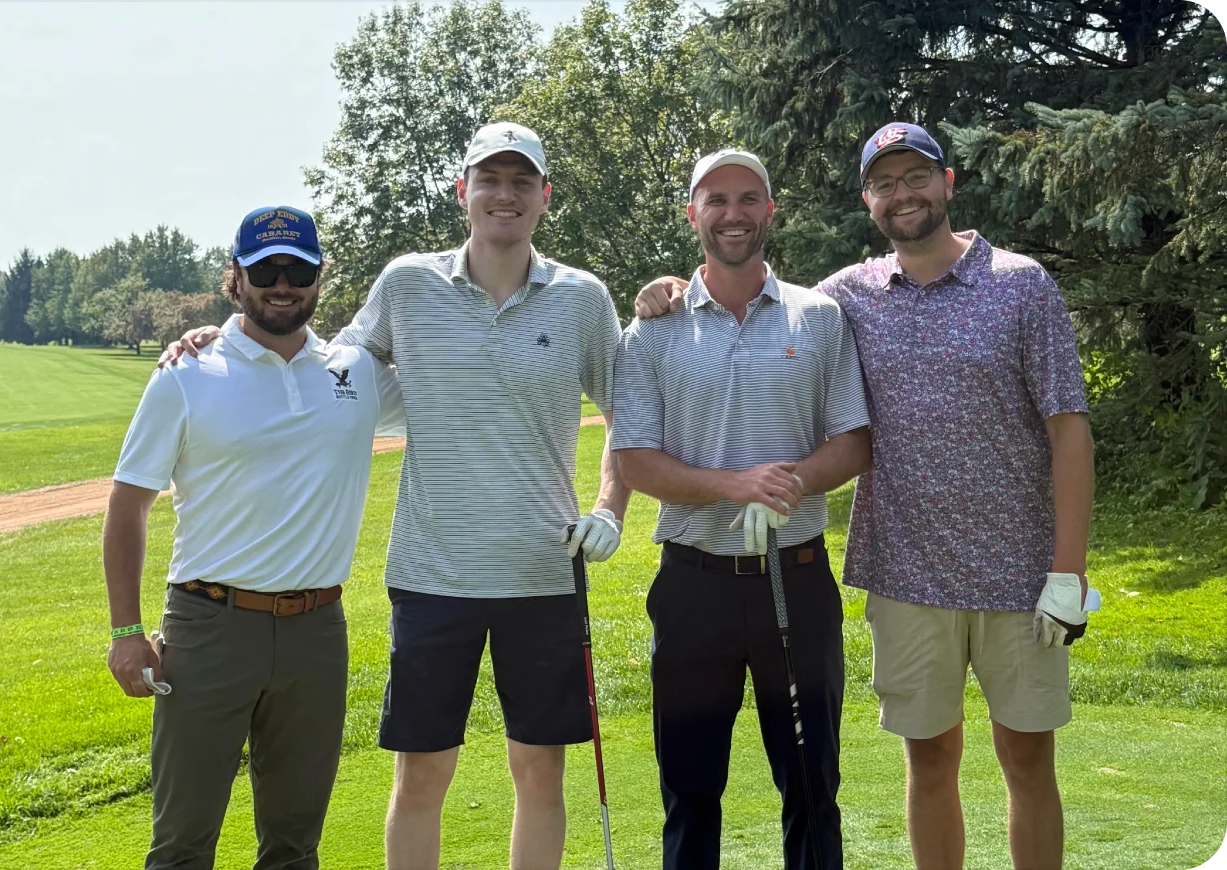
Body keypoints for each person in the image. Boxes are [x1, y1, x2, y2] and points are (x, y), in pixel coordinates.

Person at [161, 122, 629, 870]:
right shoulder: (407, 284)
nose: (502, 194)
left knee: (540, 772)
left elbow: (626, 414)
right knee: (421, 774)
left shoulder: (582, 299)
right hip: (431, 574)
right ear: (462, 193)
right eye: (488, 179)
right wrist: (223, 335)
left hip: (542, 574)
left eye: (519, 182)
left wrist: (610, 508)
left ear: (544, 197)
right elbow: (322, 362)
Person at [633, 123, 1096, 870]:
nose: (902, 194)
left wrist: (1068, 572)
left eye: (917, 177)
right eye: (886, 183)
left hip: (1020, 573)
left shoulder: (1021, 284)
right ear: (868, 199)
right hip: (907, 575)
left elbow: (1070, 433)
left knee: (1027, 761)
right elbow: (750, 295)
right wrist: (667, 291)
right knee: (931, 761)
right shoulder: (848, 296)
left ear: (948, 184)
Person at [105, 205, 404, 870]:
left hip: (317, 632)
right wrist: (127, 632)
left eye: (296, 268)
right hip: (209, 627)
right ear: (232, 278)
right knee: (183, 843)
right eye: (263, 268)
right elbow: (128, 505)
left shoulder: (353, 371)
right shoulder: (186, 373)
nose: (281, 282)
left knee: (295, 846)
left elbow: (470, 374)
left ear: (320, 275)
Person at [612, 149, 873, 870]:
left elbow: (854, 443)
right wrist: (736, 486)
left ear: (769, 212)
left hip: (798, 579)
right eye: (716, 200)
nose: (733, 213)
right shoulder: (652, 330)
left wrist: (786, 481)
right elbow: (634, 459)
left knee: (812, 787)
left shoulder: (819, 318)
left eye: (747, 199)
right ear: (693, 214)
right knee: (690, 791)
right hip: (694, 587)